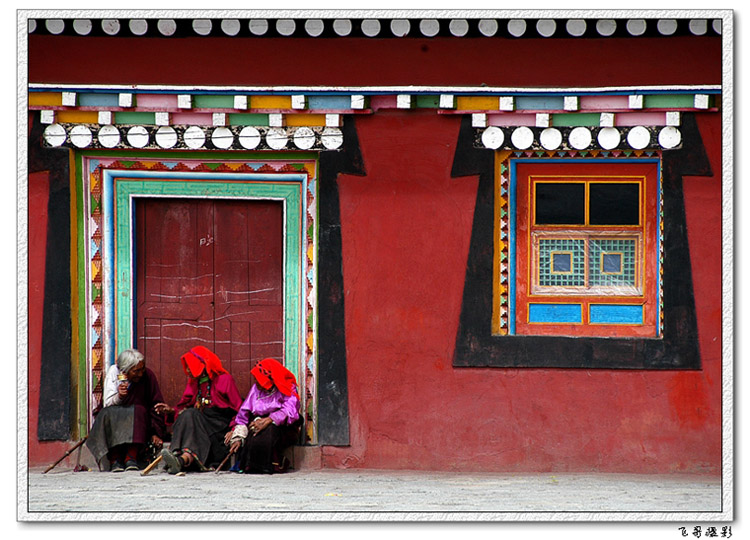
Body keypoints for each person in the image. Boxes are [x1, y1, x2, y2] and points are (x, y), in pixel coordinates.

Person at [154, 346, 243, 474]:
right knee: (188, 414)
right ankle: (181, 458)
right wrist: (171, 411)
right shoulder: (194, 382)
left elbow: (239, 409)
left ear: (202, 365)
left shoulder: (224, 380)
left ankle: (179, 457)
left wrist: (234, 429)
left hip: (219, 427)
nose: (188, 370)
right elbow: (184, 405)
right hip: (200, 424)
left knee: (191, 415)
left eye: (190, 366)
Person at [86, 349, 166, 472]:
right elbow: (107, 403)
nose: (140, 374)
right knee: (107, 413)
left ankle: (131, 458)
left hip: (139, 422)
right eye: (136, 371)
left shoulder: (148, 376)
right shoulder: (114, 373)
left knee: (139, 410)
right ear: (125, 370)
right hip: (116, 419)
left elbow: (156, 405)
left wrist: (156, 432)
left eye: (142, 369)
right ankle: (115, 460)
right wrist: (119, 396)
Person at [228, 358, 302, 474]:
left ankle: (268, 465)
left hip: (284, 425)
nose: (257, 383)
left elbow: (290, 410)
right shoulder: (256, 389)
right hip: (259, 421)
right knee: (254, 432)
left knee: (269, 431)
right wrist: (238, 434)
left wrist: (270, 419)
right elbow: (244, 413)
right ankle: (249, 465)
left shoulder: (288, 387)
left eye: (260, 380)